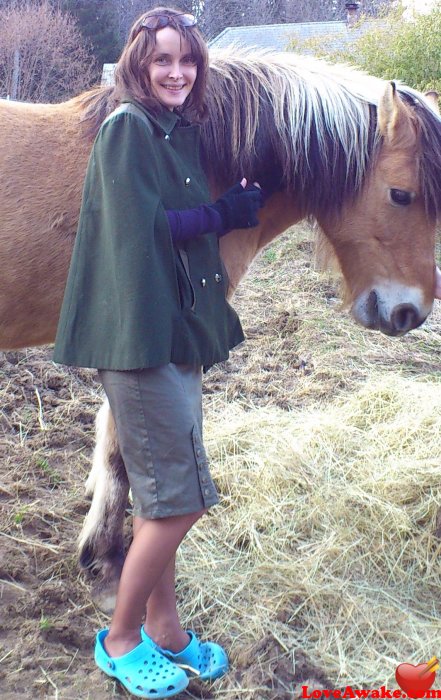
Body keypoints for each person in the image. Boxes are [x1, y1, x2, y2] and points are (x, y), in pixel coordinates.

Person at [53, 7, 263, 700]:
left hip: (173, 330)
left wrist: (227, 201)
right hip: (137, 340)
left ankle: (167, 632)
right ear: (138, 66)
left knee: (157, 494)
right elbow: (144, 228)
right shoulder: (127, 130)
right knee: (179, 501)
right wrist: (224, 215)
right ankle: (119, 640)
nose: (176, 72)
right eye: (162, 60)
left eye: (187, 61)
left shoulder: (177, 131)